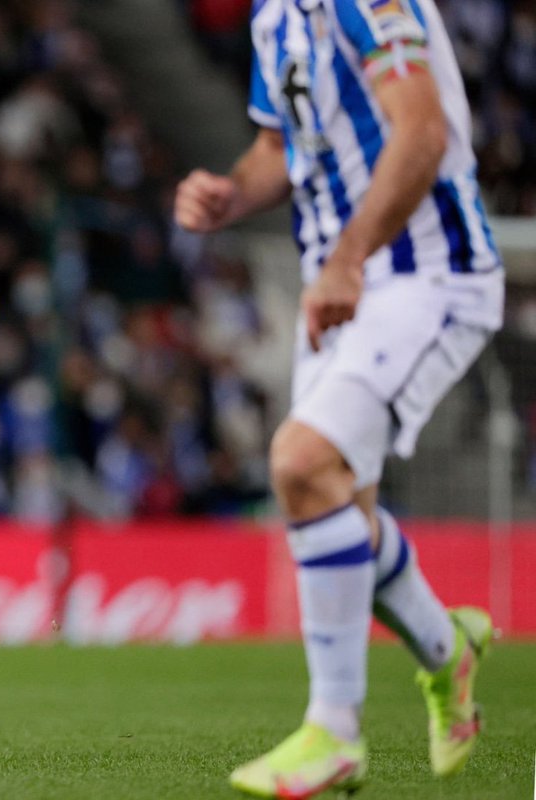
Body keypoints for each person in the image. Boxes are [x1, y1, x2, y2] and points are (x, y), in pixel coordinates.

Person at [175, 0, 502, 796]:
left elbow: (420, 131)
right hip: (343, 288)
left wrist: (350, 258)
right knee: (334, 504)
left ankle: (335, 730)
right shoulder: (272, 18)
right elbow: (278, 147)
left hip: (423, 272)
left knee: (301, 461)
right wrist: (230, 193)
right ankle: (446, 649)